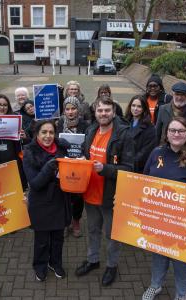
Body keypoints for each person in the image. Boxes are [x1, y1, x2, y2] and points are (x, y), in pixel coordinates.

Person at [142, 117, 186, 300]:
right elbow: (143, 182)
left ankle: (181, 294)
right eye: (172, 130)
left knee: (182, 259)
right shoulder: (157, 152)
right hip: (159, 217)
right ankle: (155, 285)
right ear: (166, 133)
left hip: (184, 222)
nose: (176, 134)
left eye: (181, 131)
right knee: (158, 254)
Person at [75, 96, 134, 286]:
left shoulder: (124, 134)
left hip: (110, 196)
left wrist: (105, 169)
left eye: (107, 110)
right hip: (90, 194)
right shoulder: (91, 130)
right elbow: (86, 154)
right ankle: (93, 260)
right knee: (92, 230)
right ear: (95, 112)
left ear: (113, 112)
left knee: (111, 234)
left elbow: (129, 168)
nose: (103, 114)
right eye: (100, 110)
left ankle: (111, 265)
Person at [22, 120, 71, 282]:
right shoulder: (29, 152)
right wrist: (49, 167)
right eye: (44, 132)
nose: (48, 136)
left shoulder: (63, 148)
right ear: (37, 133)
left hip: (59, 199)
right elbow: (35, 184)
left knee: (58, 237)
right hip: (40, 202)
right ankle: (40, 265)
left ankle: (55, 263)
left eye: (51, 132)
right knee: (42, 239)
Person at [56, 96, 89, 237]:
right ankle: (65, 222)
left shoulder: (85, 124)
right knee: (64, 195)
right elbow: (56, 142)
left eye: (73, 108)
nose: (70, 112)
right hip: (64, 163)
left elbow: (88, 143)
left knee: (78, 196)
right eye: (67, 109)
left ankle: (76, 221)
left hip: (80, 165)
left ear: (78, 109)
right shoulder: (60, 122)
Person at [0, 94, 27, 190]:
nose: (2, 107)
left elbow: (25, 141)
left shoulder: (15, 118)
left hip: (13, 160)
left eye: (5, 105)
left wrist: (24, 137)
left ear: (8, 106)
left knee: (15, 188)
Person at [124, 95, 157, 173]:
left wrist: (130, 162)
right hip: (123, 165)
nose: (135, 109)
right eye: (133, 105)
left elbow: (146, 151)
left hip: (137, 168)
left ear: (144, 109)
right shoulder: (124, 122)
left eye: (139, 106)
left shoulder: (150, 128)